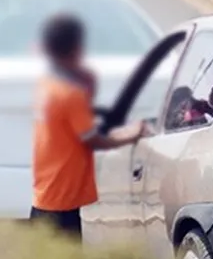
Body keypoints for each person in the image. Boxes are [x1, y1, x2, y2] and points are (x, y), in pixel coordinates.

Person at [32, 13, 147, 239]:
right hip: (62, 198)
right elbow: (91, 139)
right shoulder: (70, 95)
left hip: (46, 192)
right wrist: (131, 135)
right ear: (77, 49)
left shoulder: (47, 86)